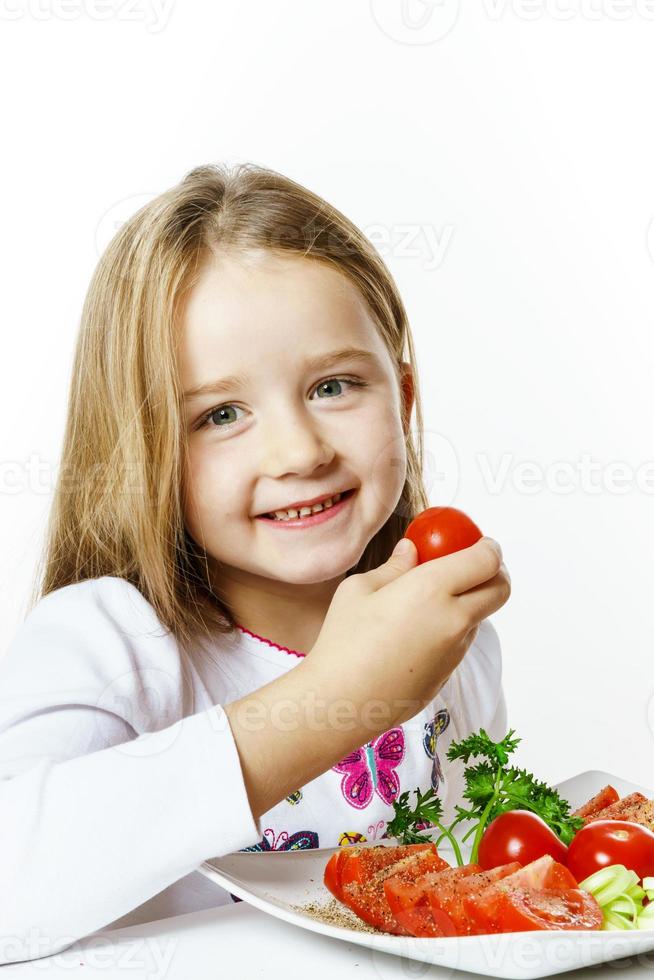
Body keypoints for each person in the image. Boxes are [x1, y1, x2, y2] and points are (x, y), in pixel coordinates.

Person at [0, 163, 511, 964]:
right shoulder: (109, 643)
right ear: (144, 451)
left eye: (335, 385)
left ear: (404, 398)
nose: (300, 450)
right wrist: (336, 697)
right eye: (222, 414)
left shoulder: (451, 635)